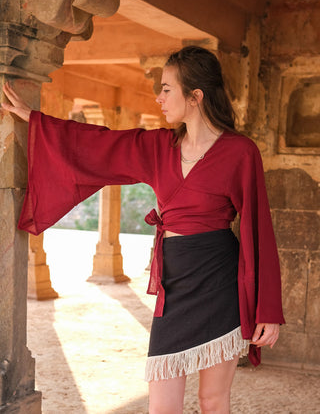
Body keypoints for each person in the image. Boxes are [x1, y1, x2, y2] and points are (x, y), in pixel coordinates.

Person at [1, 45, 285, 414]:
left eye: (167, 89)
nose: (159, 97)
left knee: (213, 400)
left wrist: (268, 309)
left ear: (195, 96)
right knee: (161, 405)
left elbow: (259, 228)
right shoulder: (158, 147)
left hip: (221, 284)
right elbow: (98, 144)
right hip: (174, 285)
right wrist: (38, 121)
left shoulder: (240, 152)